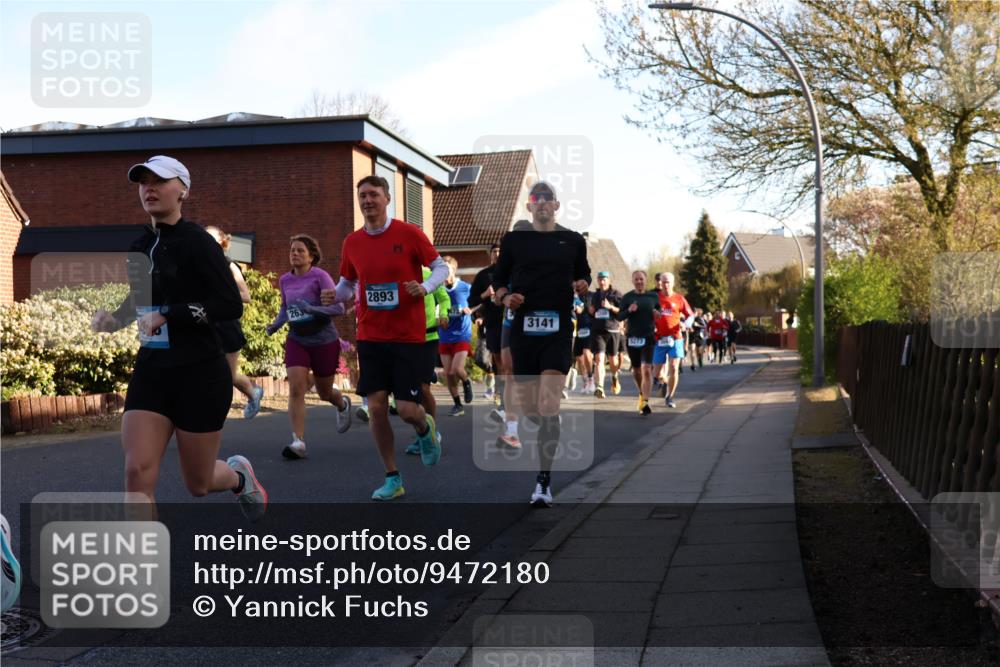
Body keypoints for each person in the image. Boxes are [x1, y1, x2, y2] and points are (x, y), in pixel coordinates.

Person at [91, 155, 266, 522]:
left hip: (200, 373)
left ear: (182, 190)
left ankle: (238, 477)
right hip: (153, 369)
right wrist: (115, 319)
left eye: (160, 181)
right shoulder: (139, 246)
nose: (149, 189)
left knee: (198, 483)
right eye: (143, 182)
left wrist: (170, 314)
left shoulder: (199, 242)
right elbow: (142, 302)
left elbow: (229, 304)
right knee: (136, 472)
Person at [322, 175, 448, 501]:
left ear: (387, 198)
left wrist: (425, 287)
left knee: (407, 409)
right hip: (371, 335)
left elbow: (440, 268)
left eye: (373, 194)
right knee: (376, 407)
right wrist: (334, 296)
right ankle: (393, 477)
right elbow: (348, 284)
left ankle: (424, 428)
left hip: (408, 336)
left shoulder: (409, 233)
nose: (367, 201)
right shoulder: (353, 242)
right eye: (362, 195)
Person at [491, 182, 591, 507]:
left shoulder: (573, 240)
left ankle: (543, 483)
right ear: (529, 206)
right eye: (537, 199)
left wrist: (582, 284)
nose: (543, 204)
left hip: (558, 328)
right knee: (532, 408)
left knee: (549, 403)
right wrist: (507, 297)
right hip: (523, 329)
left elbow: (585, 276)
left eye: (548, 199)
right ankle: (550, 423)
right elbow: (497, 284)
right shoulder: (514, 241)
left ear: (557, 205)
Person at [266, 234, 352, 459]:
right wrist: (275, 325)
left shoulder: (320, 277)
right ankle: (298, 441)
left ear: (311, 256)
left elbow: (339, 309)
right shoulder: (285, 280)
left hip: (323, 339)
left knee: (324, 392)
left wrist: (313, 310)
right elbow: (286, 308)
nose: (294, 254)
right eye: (292, 250)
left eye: (300, 251)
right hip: (297, 339)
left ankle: (341, 403)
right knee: (296, 388)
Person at [204, 225, 265, 419]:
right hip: (206, 325)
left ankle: (252, 393)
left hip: (227, 326)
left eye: (212, 239)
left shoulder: (229, 265)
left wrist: (220, 296)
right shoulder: (199, 265)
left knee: (227, 376)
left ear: (222, 243)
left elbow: (246, 296)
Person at [405, 266, 450, 456]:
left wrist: (443, 314)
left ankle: (432, 432)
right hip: (403, 339)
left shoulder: (429, 273)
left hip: (427, 337)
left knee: (423, 387)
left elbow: (444, 298)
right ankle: (422, 433)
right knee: (409, 392)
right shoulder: (395, 271)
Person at [616, 270, 660, 415]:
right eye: (636, 279)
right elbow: (619, 316)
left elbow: (658, 312)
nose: (639, 281)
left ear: (645, 280)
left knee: (646, 368)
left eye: (641, 279)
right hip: (633, 338)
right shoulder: (628, 297)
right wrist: (629, 310)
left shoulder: (653, 296)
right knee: (636, 370)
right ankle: (641, 393)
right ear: (633, 281)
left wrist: (657, 314)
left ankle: (646, 402)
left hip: (648, 336)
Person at [438, 256, 475, 416]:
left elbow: (477, 300)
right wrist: (442, 316)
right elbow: (438, 312)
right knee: (448, 374)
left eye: (447, 268)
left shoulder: (465, 287)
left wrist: (471, 310)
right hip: (445, 335)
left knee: (456, 369)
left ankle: (466, 382)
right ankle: (458, 405)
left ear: (454, 270)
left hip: (461, 334)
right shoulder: (437, 290)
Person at [652, 272, 693, 408]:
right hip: (659, 339)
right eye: (663, 282)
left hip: (676, 338)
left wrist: (685, 324)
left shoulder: (679, 299)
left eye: (668, 282)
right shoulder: (655, 298)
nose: (666, 285)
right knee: (656, 373)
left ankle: (670, 396)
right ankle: (664, 381)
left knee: (674, 367)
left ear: (673, 283)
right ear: (660, 283)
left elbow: (691, 316)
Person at [468, 243, 502, 402]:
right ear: (490, 255)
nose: (497, 254)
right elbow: (472, 301)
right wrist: (485, 294)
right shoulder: (483, 275)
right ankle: (501, 394)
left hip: (513, 321)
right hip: (493, 323)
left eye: (500, 251)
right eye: (494, 251)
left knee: (511, 360)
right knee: (497, 359)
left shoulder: (515, 273)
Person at [588, 271, 623, 398]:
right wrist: (591, 311)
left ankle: (614, 376)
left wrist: (610, 307)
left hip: (612, 330)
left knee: (613, 360)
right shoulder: (595, 295)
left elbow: (622, 312)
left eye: (604, 279)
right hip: (598, 331)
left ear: (609, 280)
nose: (602, 282)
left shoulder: (616, 294)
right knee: (599, 359)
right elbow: (592, 311)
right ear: (597, 280)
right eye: (600, 279)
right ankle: (600, 387)